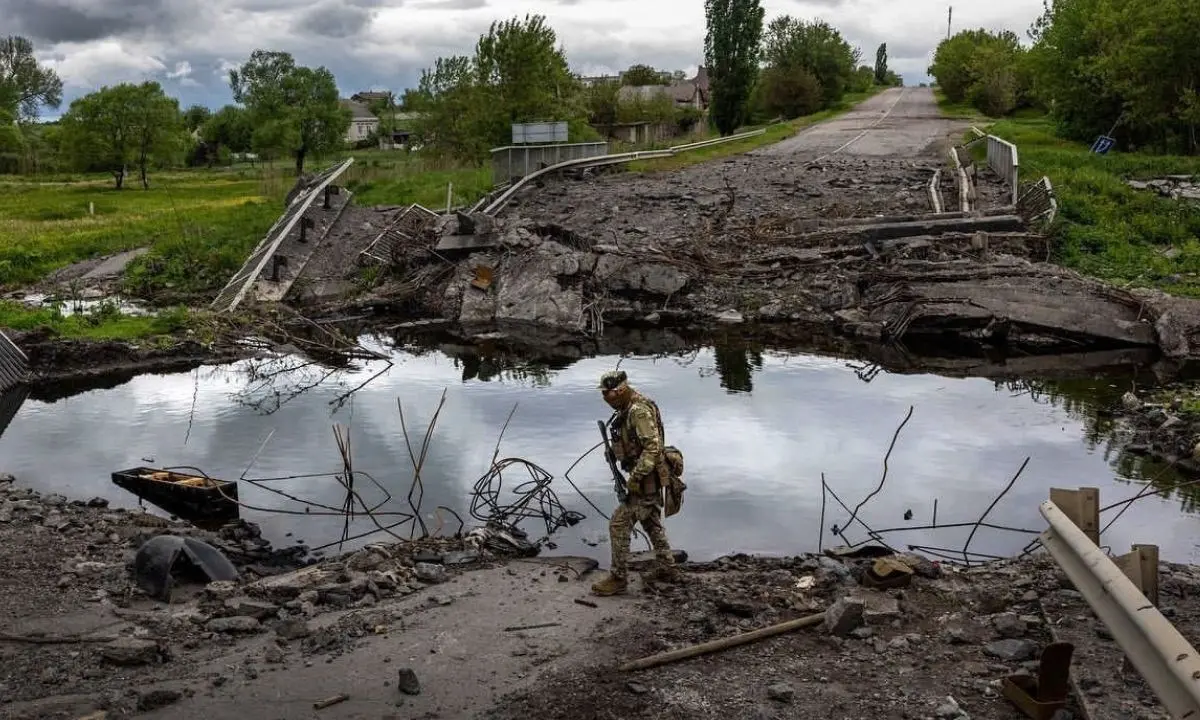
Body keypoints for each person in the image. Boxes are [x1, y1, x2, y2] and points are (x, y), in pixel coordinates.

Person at [591, 370, 681, 596]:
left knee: (619, 524)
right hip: (645, 478)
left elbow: (653, 447)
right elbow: (634, 444)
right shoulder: (626, 409)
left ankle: (618, 578)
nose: (605, 399)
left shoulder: (638, 411)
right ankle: (668, 568)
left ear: (620, 390)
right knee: (651, 523)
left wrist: (636, 478)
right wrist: (614, 452)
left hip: (645, 480)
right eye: (603, 394)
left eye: (607, 394)